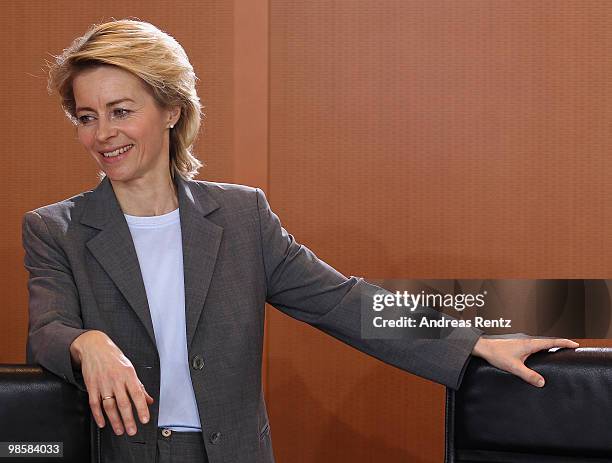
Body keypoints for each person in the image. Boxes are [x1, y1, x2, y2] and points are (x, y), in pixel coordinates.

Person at [22, 19, 578, 463]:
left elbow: (344, 301)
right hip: (122, 454)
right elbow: (47, 331)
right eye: (86, 116)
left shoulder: (241, 217)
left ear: (172, 110)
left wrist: (473, 342)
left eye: (121, 111)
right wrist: (84, 341)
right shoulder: (55, 229)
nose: (102, 134)